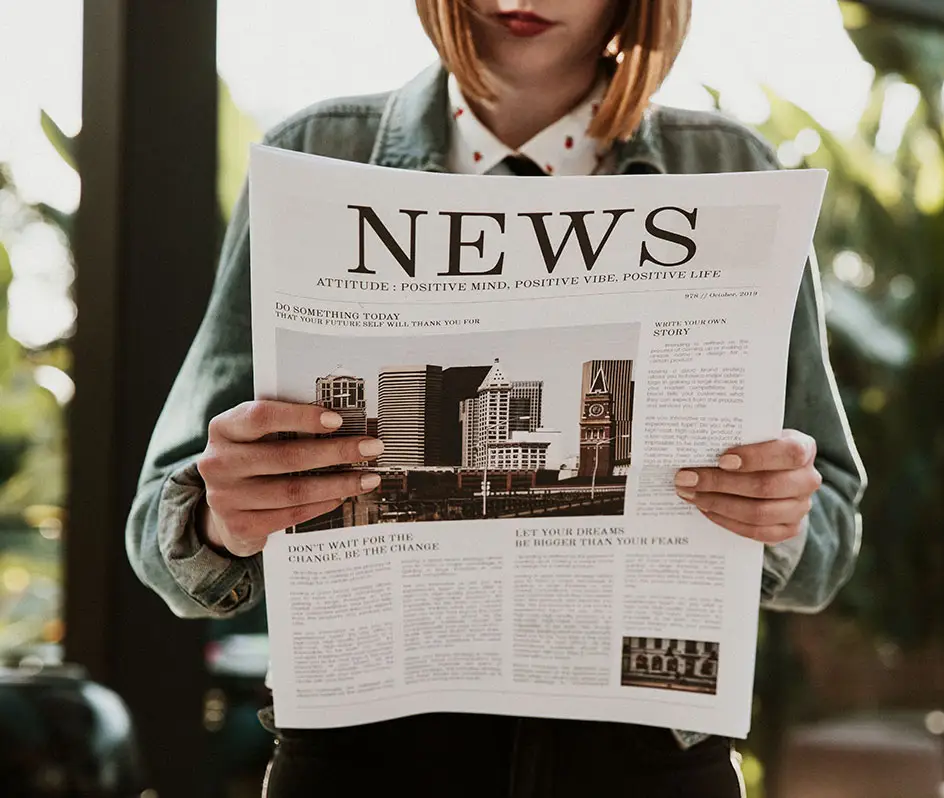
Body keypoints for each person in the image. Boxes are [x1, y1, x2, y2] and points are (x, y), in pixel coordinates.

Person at [126, 1, 866, 795]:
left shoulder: (730, 171)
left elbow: (829, 537)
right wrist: (219, 515)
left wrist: (777, 513)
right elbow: (155, 537)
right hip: (366, 763)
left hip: (647, 765)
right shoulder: (315, 156)